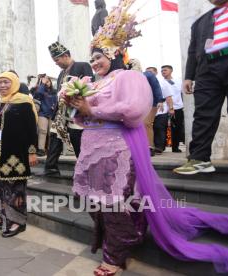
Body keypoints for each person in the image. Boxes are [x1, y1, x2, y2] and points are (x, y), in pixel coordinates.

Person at [70, 1, 228, 274]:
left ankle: (116, 253)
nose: (95, 62)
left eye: (99, 57)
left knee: (115, 203)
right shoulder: (92, 84)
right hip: (90, 148)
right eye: (92, 58)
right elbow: (82, 118)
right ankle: (109, 238)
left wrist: (91, 107)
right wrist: (77, 106)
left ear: (115, 53)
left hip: (115, 150)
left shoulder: (128, 77)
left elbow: (132, 112)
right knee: (97, 201)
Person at [174, 0, 228, 175]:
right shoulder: (200, 22)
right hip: (206, 69)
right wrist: (189, 76)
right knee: (203, 113)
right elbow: (192, 51)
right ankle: (200, 159)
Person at [0, 71, 38, 238]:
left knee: (14, 188)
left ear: (14, 83)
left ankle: (17, 221)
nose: (2, 86)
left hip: (15, 154)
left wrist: (32, 152)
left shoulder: (24, 101)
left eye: (6, 82)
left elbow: (31, 129)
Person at [42, 42, 94, 176]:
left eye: (57, 60)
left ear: (65, 56)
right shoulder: (61, 74)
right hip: (60, 112)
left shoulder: (82, 66)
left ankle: (85, 168)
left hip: (75, 111)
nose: (56, 63)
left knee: (77, 138)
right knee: (55, 136)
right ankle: (51, 167)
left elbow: (89, 86)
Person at [128, 59, 164, 156]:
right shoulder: (127, 76)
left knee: (146, 123)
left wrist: (160, 100)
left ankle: (150, 147)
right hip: (137, 104)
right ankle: (140, 147)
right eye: (130, 64)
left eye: (133, 63)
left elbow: (156, 87)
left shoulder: (148, 75)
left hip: (151, 103)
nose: (132, 65)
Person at [161, 65, 185, 153]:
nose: (163, 72)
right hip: (164, 108)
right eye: (162, 71)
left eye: (165, 70)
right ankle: (161, 147)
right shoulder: (161, 82)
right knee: (163, 127)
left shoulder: (178, 81)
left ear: (171, 71)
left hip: (177, 107)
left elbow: (183, 93)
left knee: (177, 128)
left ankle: (175, 147)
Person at [33, 75, 58, 156]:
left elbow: (57, 101)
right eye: (45, 82)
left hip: (52, 114)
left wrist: (54, 106)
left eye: (48, 81)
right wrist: (42, 84)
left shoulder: (54, 91)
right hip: (42, 113)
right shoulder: (40, 90)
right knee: (42, 131)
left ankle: (51, 149)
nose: (47, 83)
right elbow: (38, 94)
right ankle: (41, 149)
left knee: (52, 133)